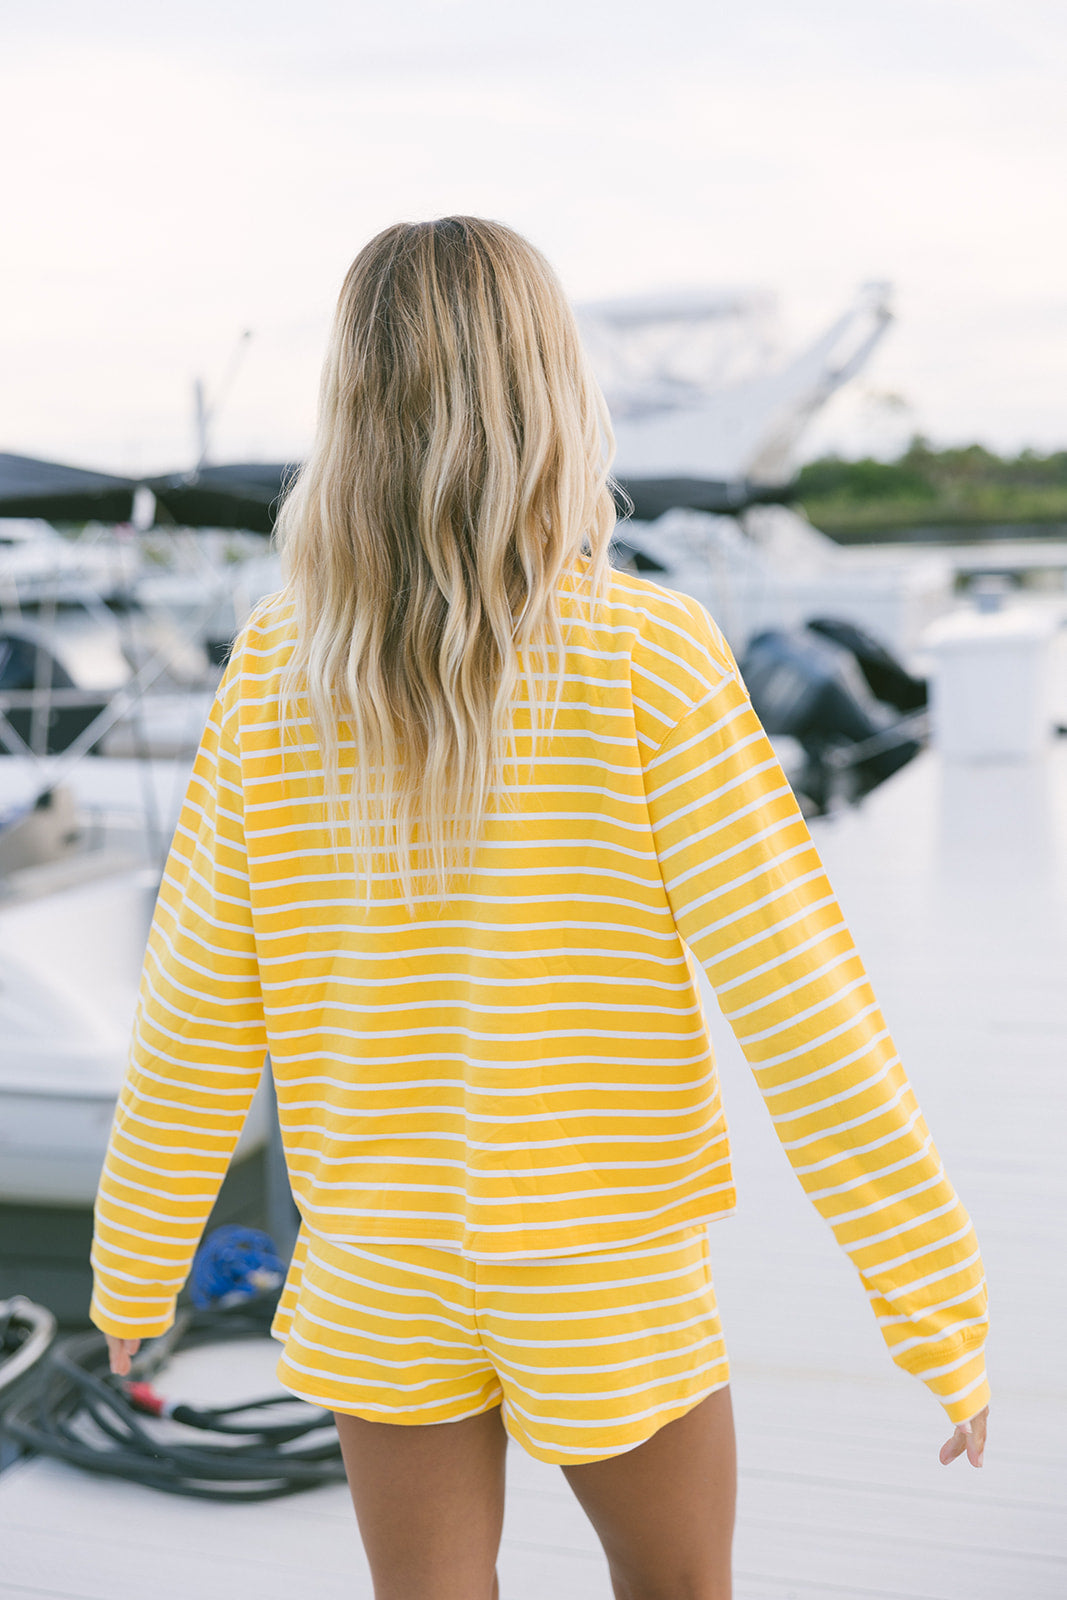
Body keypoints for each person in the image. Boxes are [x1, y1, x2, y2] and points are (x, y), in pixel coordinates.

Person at [90, 217, 989, 1600]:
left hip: (381, 1258)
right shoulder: (646, 656)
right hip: (600, 1263)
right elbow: (804, 1005)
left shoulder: (273, 673)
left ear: (350, 411)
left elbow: (193, 1015)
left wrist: (134, 1273)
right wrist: (935, 1307)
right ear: (553, 394)